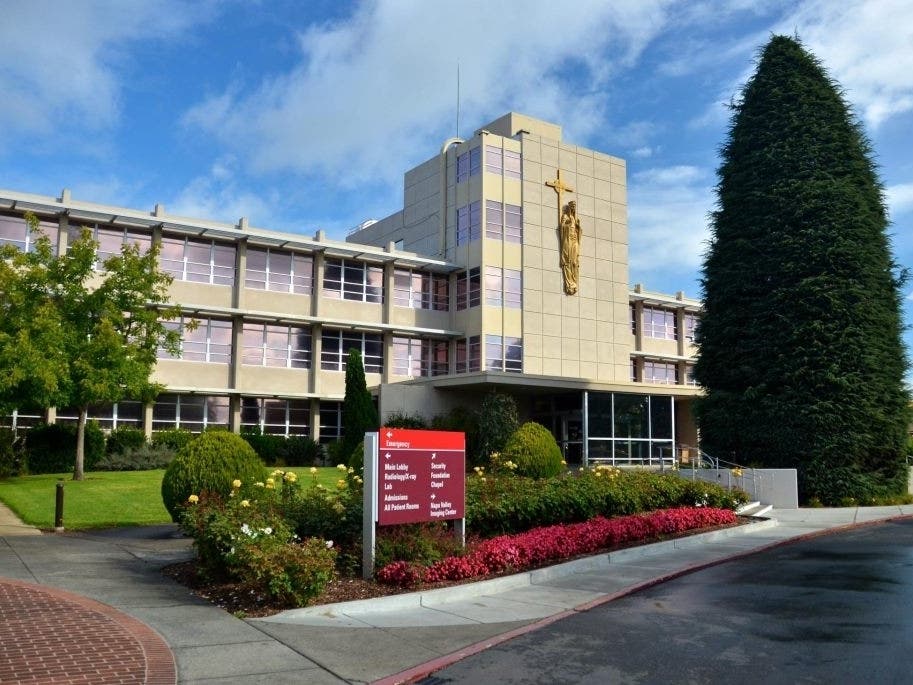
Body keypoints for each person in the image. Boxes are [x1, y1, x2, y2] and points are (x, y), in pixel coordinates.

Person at [558, 200, 581, 295]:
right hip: (568, 240)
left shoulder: (575, 219)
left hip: (574, 240)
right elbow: (562, 227)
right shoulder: (565, 216)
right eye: (572, 206)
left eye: (574, 207)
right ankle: (569, 283)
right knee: (567, 261)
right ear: (569, 208)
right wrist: (567, 224)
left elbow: (578, 231)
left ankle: (574, 281)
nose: (573, 208)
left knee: (575, 262)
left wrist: (577, 226)